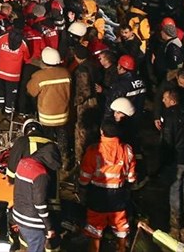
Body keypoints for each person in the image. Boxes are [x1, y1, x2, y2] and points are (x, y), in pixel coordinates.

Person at [78, 120, 137, 252]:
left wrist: (82, 188)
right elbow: (131, 177)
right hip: (119, 194)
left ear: (101, 132)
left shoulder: (93, 150)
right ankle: (121, 248)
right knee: (120, 225)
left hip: (98, 194)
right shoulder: (127, 150)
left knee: (95, 226)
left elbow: (85, 177)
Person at [158, 87, 184, 233]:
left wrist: (164, 160)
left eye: (165, 98)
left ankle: (176, 220)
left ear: (172, 100)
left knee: (175, 188)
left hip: (177, 158)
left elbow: (168, 140)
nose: (163, 101)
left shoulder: (169, 115)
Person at [11, 143, 62, 252]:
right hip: (32, 222)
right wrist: (49, 227)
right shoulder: (41, 174)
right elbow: (40, 203)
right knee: (36, 248)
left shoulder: (22, 162)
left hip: (18, 215)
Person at [27, 48, 71, 163]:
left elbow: (31, 91)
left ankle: (49, 160)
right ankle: (64, 158)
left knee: (47, 139)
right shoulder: (66, 73)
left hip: (47, 116)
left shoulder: (39, 76)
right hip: (63, 114)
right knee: (62, 136)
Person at [0, 19, 31, 115]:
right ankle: (8, 115)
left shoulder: (2, 37)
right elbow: (27, 57)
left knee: (0, 92)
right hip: (13, 74)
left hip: (0, 70)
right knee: (11, 95)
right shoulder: (23, 41)